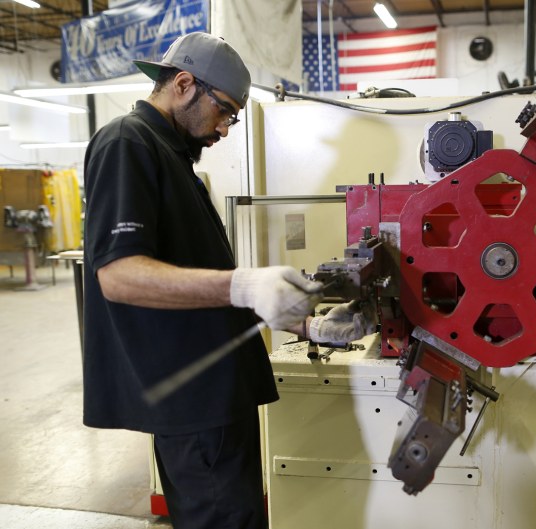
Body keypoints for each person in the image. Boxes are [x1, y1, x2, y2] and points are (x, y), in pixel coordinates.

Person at [82, 32, 374, 529]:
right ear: (183, 83)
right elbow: (120, 275)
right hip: (194, 401)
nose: (226, 128)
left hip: (214, 395)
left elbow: (197, 278)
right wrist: (244, 285)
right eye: (225, 111)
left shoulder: (173, 158)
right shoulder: (127, 142)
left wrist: (306, 326)